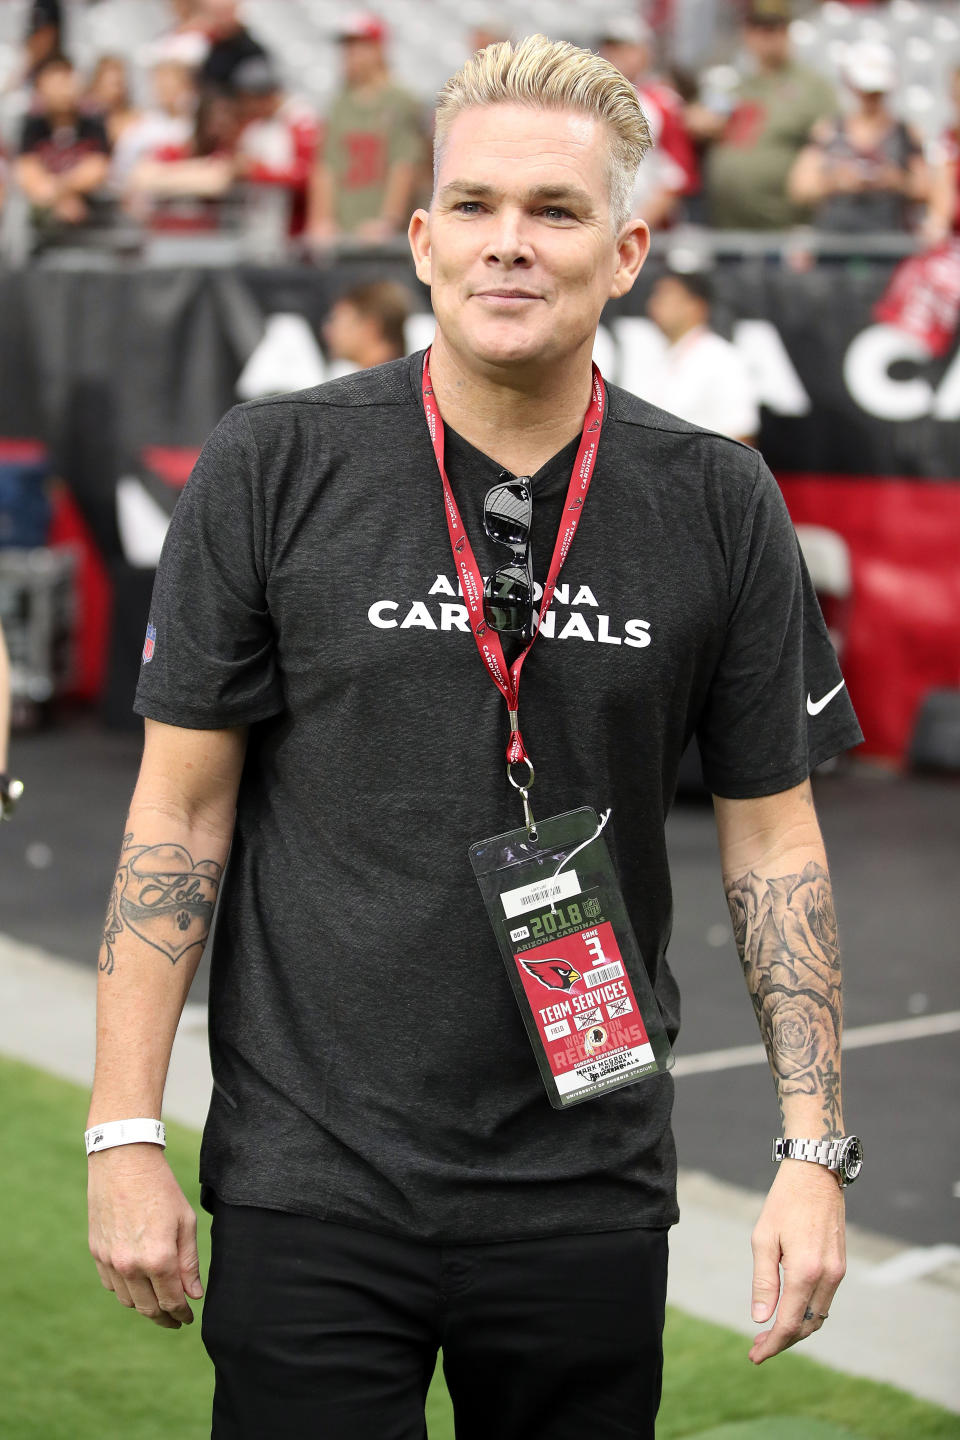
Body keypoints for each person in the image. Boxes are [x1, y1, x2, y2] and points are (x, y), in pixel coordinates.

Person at [86, 35, 863, 1440]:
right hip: (309, 1177)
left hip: (586, 1184)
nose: (513, 244)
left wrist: (813, 1150)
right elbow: (177, 818)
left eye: (557, 212)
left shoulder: (720, 501)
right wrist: (124, 1129)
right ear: (424, 236)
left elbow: (772, 837)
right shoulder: (274, 465)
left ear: (625, 251)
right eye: (480, 207)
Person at [690, 0, 836, 230]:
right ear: (747, 33)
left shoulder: (811, 86)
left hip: (784, 226)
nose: (765, 36)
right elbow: (695, 120)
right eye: (757, 28)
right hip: (724, 224)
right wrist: (699, 121)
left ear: (786, 32)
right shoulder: (731, 82)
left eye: (772, 28)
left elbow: (836, 137)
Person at [307, 11, 426, 242]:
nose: (349, 55)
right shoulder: (339, 104)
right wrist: (321, 221)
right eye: (346, 48)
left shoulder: (401, 101)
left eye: (357, 46)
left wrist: (388, 220)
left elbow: (404, 165)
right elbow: (326, 167)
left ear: (377, 49)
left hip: (386, 234)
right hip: (343, 230)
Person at [788, 42, 927, 234]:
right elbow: (800, 188)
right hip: (837, 242)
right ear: (850, 84)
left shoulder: (906, 133)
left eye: (876, 91)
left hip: (888, 241)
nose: (871, 97)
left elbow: (927, 188)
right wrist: (836, 182)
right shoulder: (828, 130)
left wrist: (897, 182)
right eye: (866, 90)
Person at [599, 16, 698, 229]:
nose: (617, 55)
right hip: (598, 225)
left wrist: (633, 227)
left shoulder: (662, 103)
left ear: (645, 52)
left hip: (647, 231)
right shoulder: (585, 100)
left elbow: (676, 178)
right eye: (611, 47)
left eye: (627, 48)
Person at [643, 269, 759, 444]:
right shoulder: (655, 357)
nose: (654, 305)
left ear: (696, 307)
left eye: (665, 298)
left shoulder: (723, 360)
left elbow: (740, 436)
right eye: (655, 297)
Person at [14, 54, 111, 238]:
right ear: (41, 88)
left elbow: (97, 169)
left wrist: (59, 192)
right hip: (42, 231)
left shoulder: (94, 123)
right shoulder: (32, 126)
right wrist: (62, 199)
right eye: (57, 84)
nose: (65, 90)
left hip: (94, 224)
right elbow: (27, 172)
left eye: (68, 81)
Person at [322, 278, 412, 372]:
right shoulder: (410, 375)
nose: (327, 330)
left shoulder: (383, 381)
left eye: (337, 322)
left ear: (370, 328)